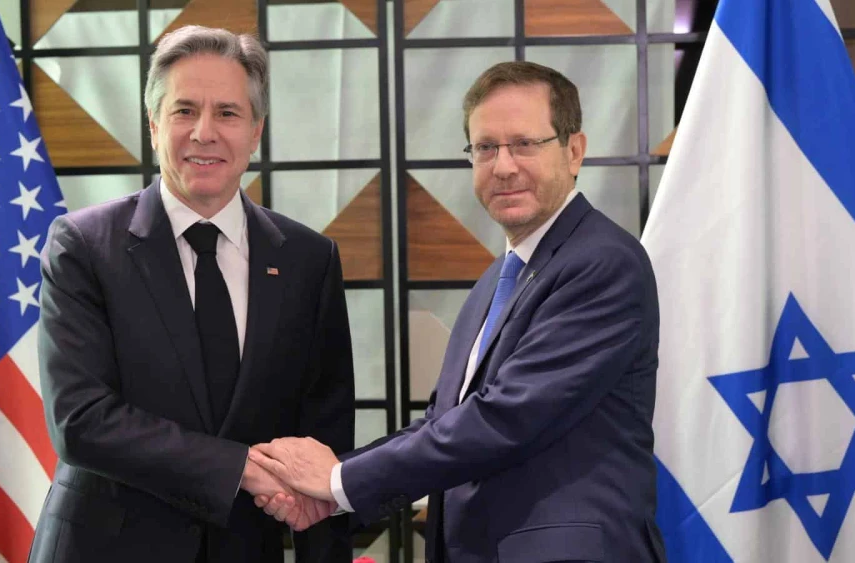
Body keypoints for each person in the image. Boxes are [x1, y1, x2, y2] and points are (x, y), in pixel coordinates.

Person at [251, 61, 667, 563]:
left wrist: (336, 480)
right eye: (486, 147)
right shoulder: (499, 279)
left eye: (525, 144)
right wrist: (332, 482)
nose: (504, 166)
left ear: (574, 151)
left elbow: (504, 419)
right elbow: (443, 422)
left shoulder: (603, 262)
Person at [27, 25, 354, 563]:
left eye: (227, 113)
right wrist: (240, 469)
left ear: (256, 131)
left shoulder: (308, 260)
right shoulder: (84, 246)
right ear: (154, 125)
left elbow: (324, 439)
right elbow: (80, 420)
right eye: (184, 111)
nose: (205, 132)